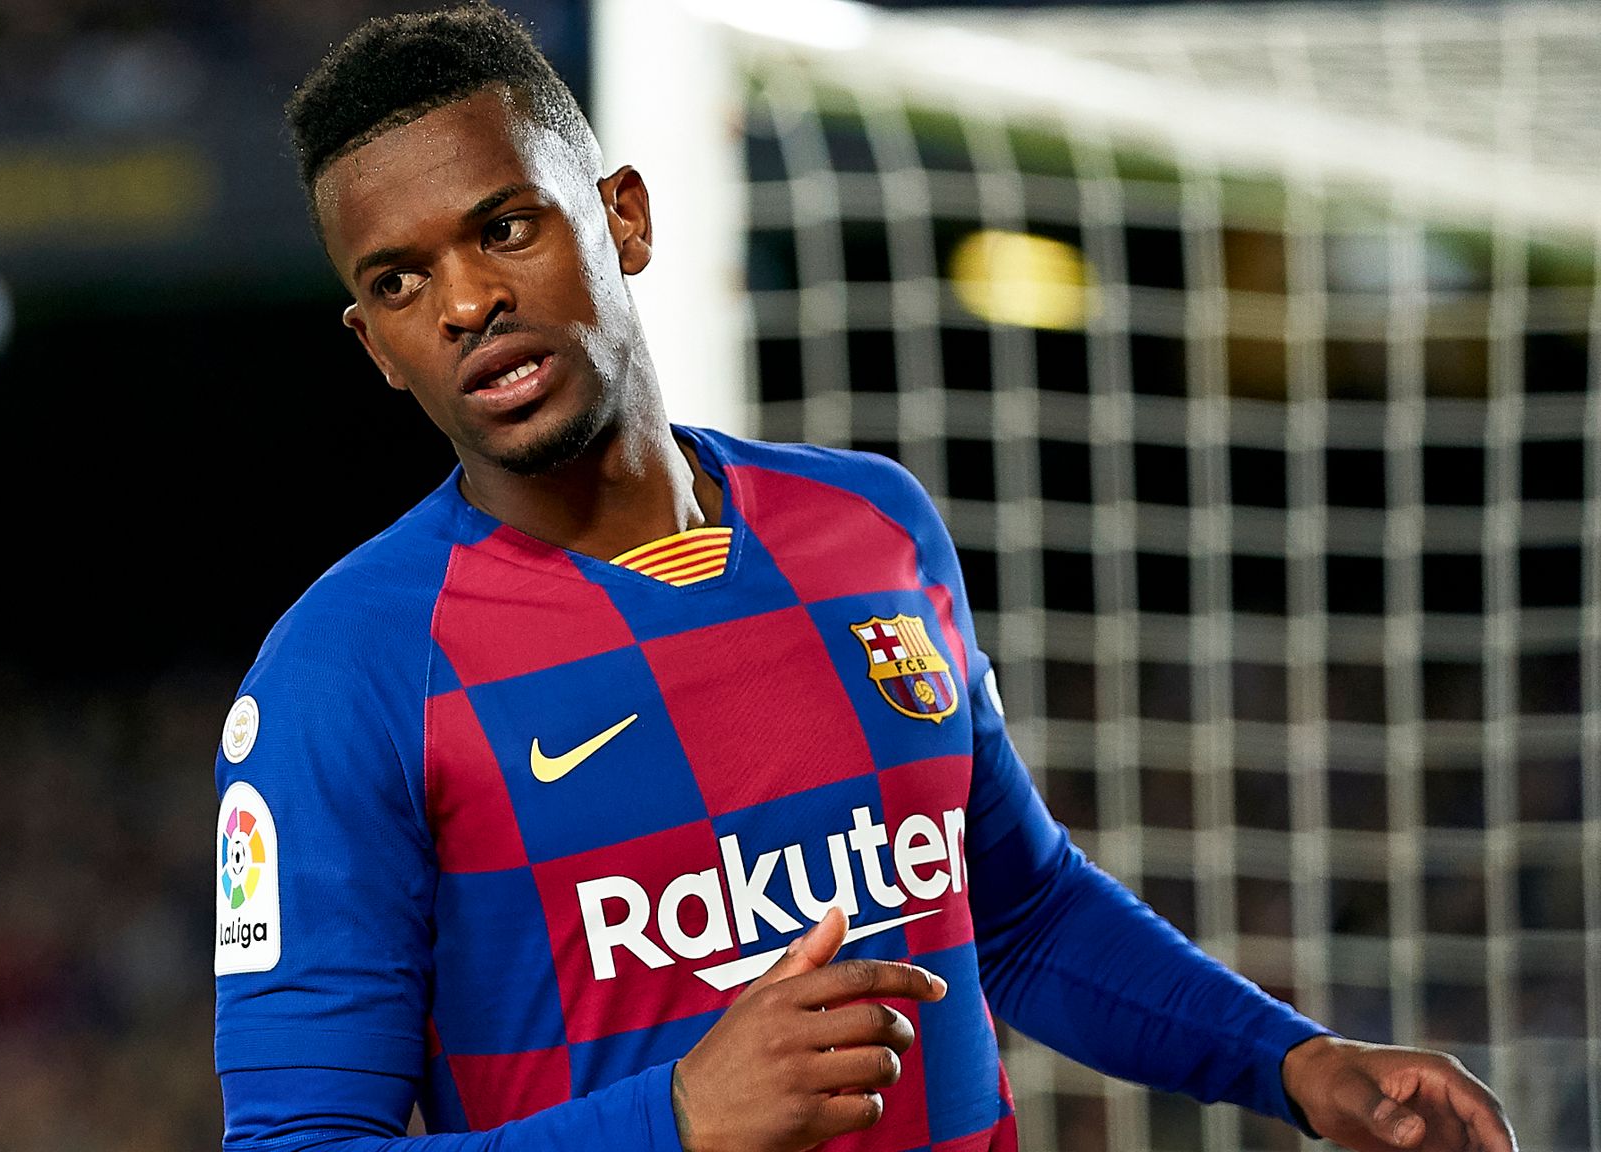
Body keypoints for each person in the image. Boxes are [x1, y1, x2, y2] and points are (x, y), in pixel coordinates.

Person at [210, 5, 1518, 1151]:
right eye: (401, 281)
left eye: (505, 227)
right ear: (376, 345)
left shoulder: (870, 526)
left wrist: (1290, 1061)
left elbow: (1017, 913)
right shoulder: (347, 673)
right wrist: (677, 1123)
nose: (464, 303)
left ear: (624, 218)